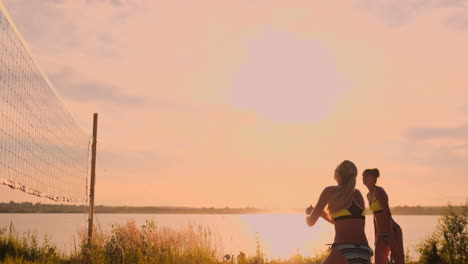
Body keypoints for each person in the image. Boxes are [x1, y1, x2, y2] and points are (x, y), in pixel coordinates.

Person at [306, 160, 372, 264]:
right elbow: (344, 221)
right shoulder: (358, 194)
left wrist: (310, 215)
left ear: (338, 175)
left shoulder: (329, 191)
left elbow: (310, 222)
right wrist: (322, 214)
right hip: (364, 250)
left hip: (343, 249)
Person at [362, 168, 405, 264]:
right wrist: (376, 237)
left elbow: (387, 213)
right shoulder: (368, 195)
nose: (364, 177)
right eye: (363, 175)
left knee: (399, 261)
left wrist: (390, 235)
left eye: (367, 175)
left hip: (393, 231)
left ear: (374, 178)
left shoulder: (379, 191)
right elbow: (375, 217)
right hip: (381, 235)